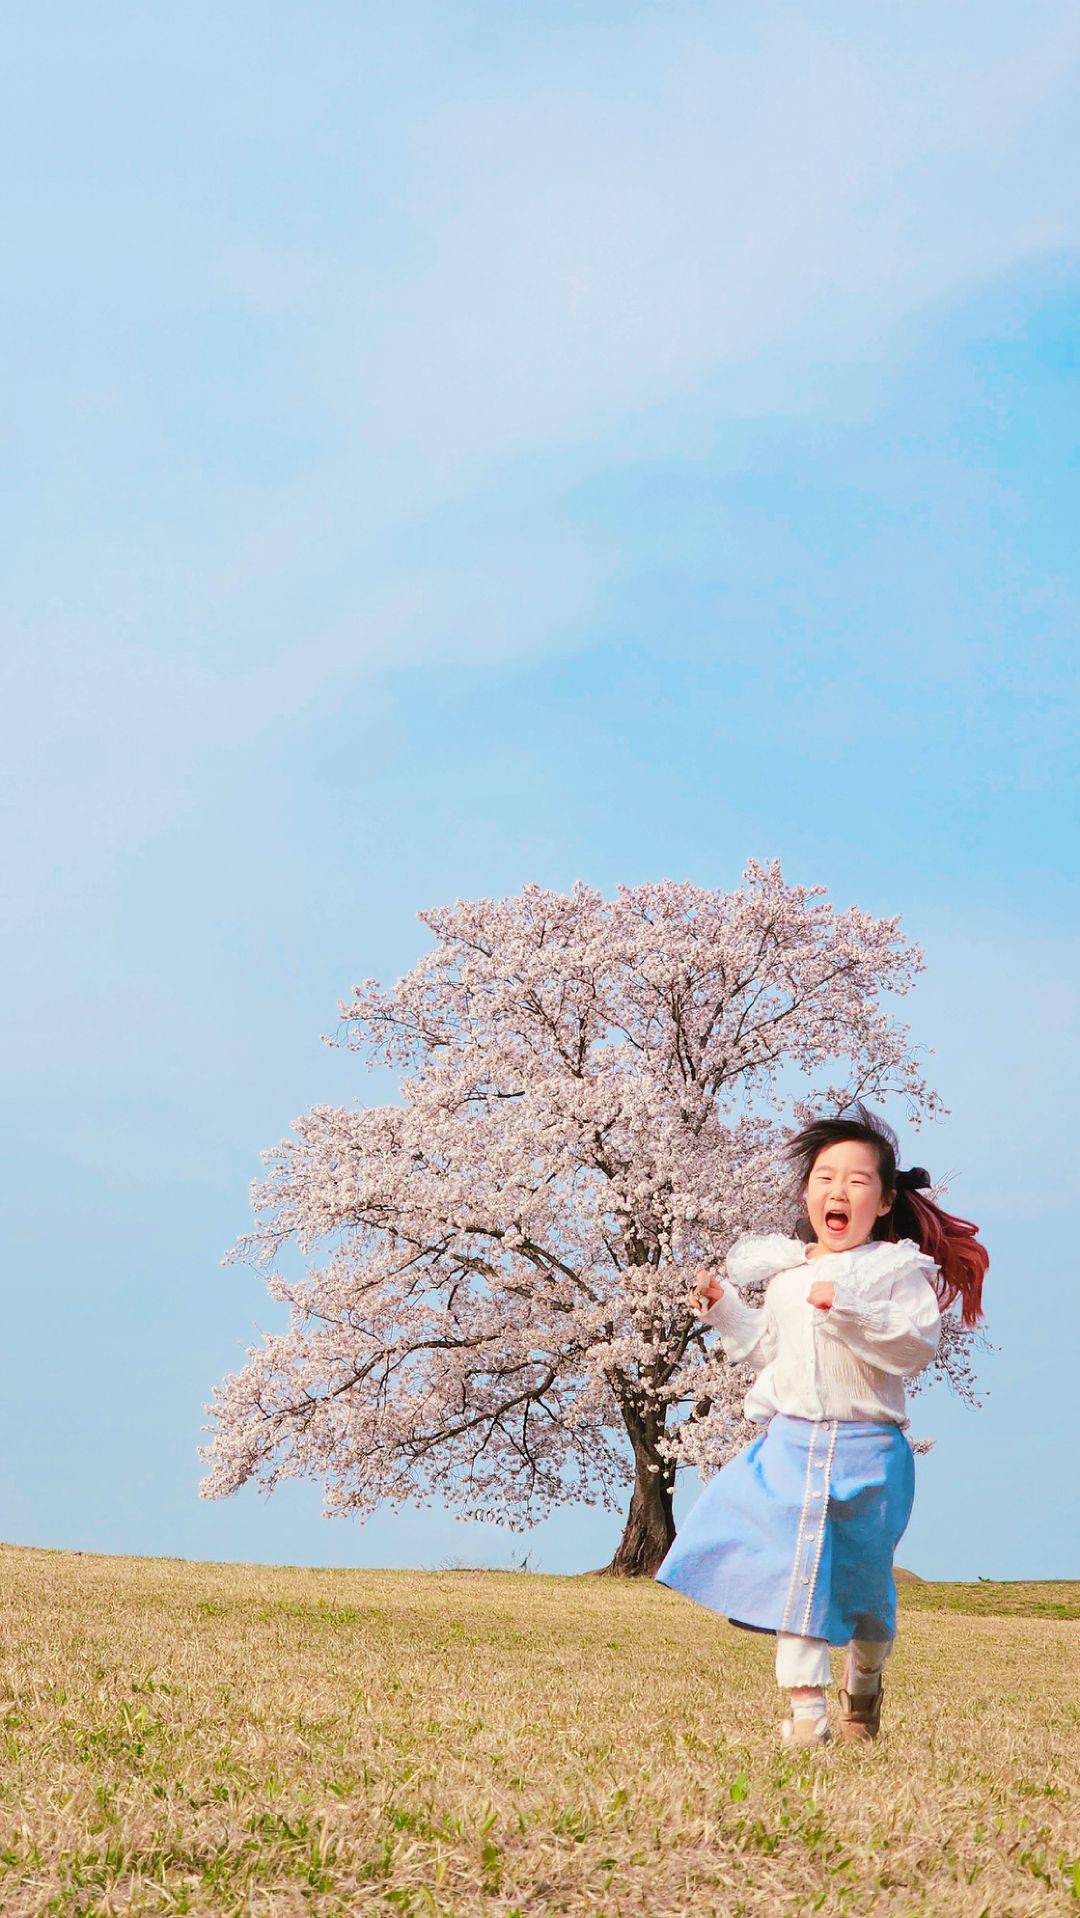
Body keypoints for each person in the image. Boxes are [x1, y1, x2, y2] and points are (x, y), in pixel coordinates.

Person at [654, 1103, 988, 1748]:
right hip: (790, 1444)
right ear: (807, 1193)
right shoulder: (787, 1277)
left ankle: (863, 1688)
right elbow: (766, 1352)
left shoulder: (898, 1272)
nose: (839, 1190)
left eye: (858, 1180)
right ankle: (807, 1716)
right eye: (824, 1177)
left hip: (870, 1455)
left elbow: (914, 1348)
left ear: (886, 1198)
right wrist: (725, 1311)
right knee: (793, 1575)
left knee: (863, 1591)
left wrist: (850, 1308)